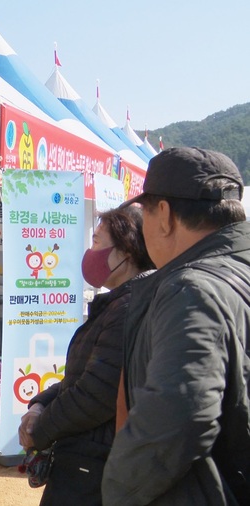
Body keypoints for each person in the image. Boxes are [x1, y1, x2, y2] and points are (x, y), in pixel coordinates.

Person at [101, 147, 250, 505]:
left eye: (146, 213)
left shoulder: (191, 289)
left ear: (164, 215)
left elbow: (178, 416)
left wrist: (118, 493)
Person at [17, 205, 154, 505]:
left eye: (96, 242)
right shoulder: (119, 303)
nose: (90, 252)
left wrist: (41, 428)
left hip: (94, 464)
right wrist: (40, 404)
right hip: (88, 457)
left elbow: (96, 392)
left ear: (126, 253)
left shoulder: (129, 309)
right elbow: (80, 379)